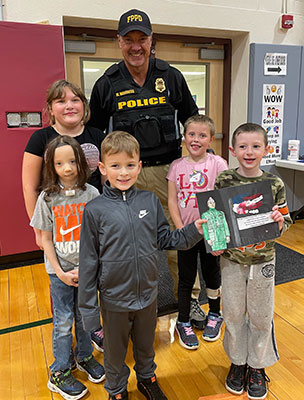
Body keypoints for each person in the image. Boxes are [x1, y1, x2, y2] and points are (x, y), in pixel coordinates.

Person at [78, 131, 207, 400]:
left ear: (139, 166)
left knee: (147, 346)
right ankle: (116, 390)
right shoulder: (95, 210)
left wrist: (194, 229)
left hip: (148, 296)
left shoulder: (149, 201)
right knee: (114, 352)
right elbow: (88, 263)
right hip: (114, 299)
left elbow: (166, 239)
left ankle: (147, 379)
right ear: (103, 168)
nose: (123, 173)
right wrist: (89, 312)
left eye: (129, 165)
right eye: (115, 166)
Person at [88, 9, 200, 311]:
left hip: (168, 173)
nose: (136, 46)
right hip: (126, 178)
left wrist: (198, 163)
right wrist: (102, 176)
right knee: (127, 244)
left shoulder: (171, 76)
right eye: (128, 39)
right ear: (119, 42)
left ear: (152, 40)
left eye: (142, 39)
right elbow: (96, 134)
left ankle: (189, 300)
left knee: (179, 238)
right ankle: (126, 305)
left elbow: (193, 122)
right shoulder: (107, 83)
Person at [22, 79, 105, 353]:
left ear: (84, 105)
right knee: (63, 299)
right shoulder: (40, 139)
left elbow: (105, 183)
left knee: (88, 294)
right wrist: (38, 231)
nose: (69, 105)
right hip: (59, 232)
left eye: (75, 99)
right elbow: (30, 185)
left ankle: (89, 337)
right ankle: (63, 349)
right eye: (61, 101)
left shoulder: (97, 135)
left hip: (89, 230)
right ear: (50, 108)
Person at [214, 123, 292, 399]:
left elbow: (287, 221)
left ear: (266, 150)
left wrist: (280, 221)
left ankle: (257, 366)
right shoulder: (224, 180)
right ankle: (237, 362)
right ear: (233, 151)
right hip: (232, 261)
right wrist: (215, 242)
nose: (249, 152)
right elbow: (217, 219)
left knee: (261, 316)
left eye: (256, 146)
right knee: (233, 314)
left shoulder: (274, 184)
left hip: (263, 261)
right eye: (243, 147)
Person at [30, 135, 105, 400]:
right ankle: (60, 370)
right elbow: (45, 240)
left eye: (72, 161)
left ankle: (84, 356)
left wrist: (91, 267)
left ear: (81, 162)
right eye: (60, 163)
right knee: (63, 322)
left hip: (87, 271)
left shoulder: (92, 194)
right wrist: (60, 272)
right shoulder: (47, 198)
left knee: (86, 318)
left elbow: (98, 236)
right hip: (60, 273)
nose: (68, 168)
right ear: (52, 166)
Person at [167, 115, 228, 349]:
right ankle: (183, 321)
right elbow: (172, 201)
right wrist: (182, 229)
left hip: (212, 232)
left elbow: (223, 197)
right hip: (188, 233)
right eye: (191, 134)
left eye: (202, 135)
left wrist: (220, 230)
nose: (196, 139)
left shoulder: (218, 164)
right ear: (184, 138)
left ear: (211, 139)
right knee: (186, 278)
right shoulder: (176, 166)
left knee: (212, 275)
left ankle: (214, 313)